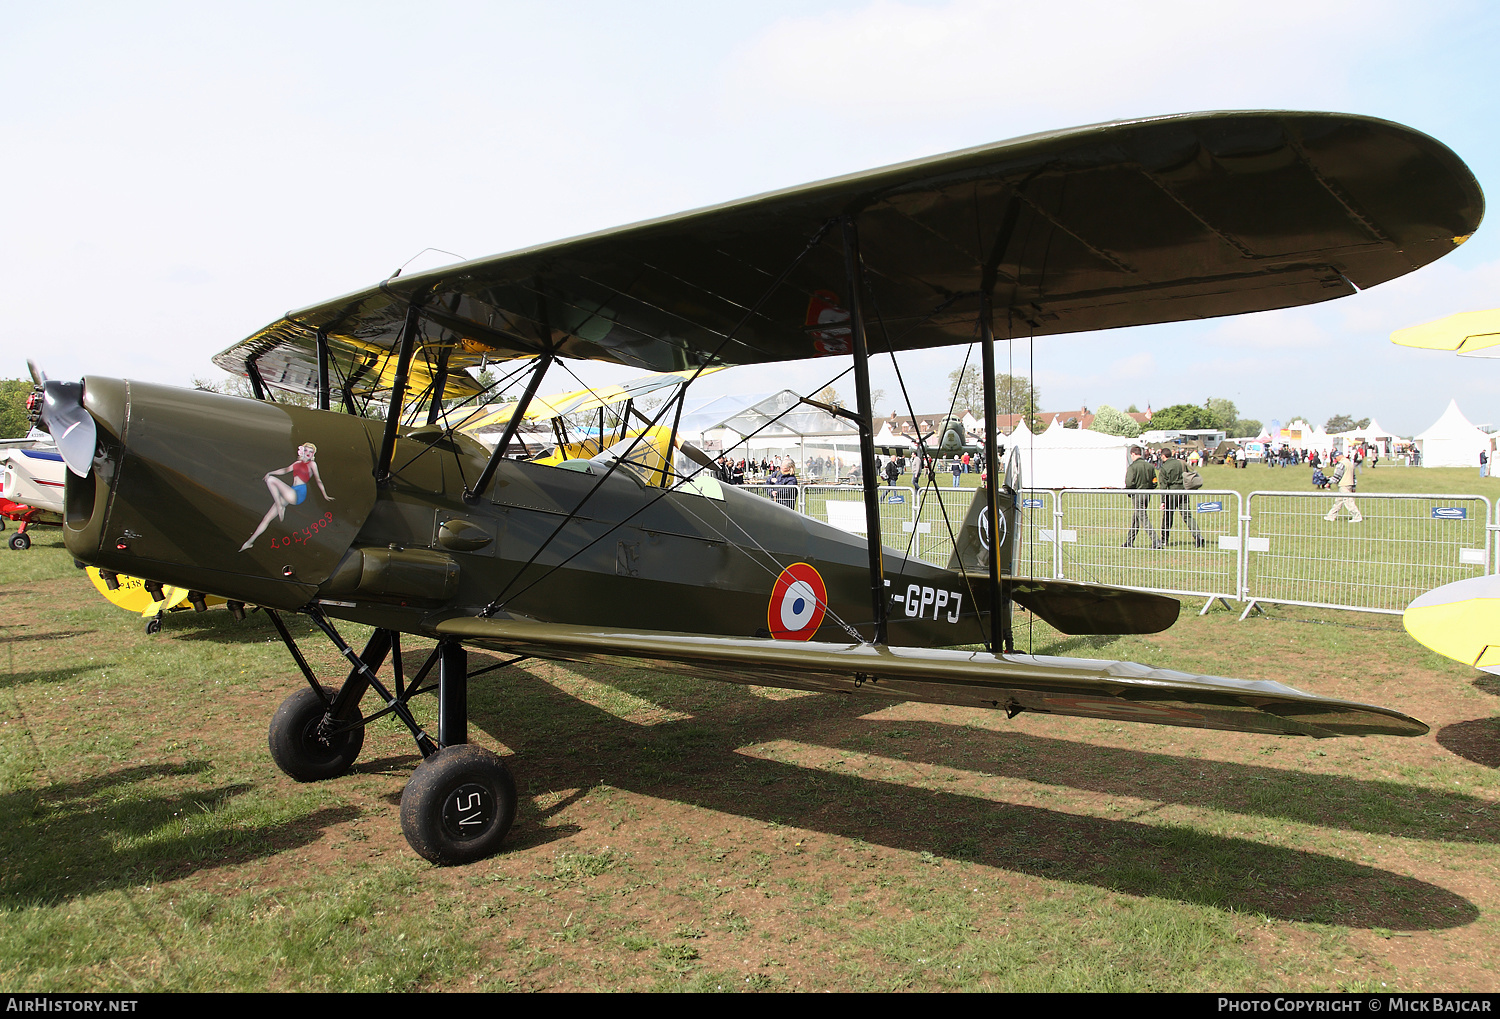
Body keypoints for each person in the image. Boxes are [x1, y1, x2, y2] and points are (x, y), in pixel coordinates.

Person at [241, 442, 333, 551]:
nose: (308, 453)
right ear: (303, 451)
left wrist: (325, 494)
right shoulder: (297, 463)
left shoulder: (312, 464)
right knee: (267, 518)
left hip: (298, 493)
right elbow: (285, 470)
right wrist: (271, 472)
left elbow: (318, 480)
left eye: (311, 451)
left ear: (313, 453)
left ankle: (280, 505)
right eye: (306, 450)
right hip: (291, 491)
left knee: (271, 480)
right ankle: (249, 542)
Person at [1157, 451, 1204, 547]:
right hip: (1183, 491)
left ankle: (1164, 540)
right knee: (1187, 516)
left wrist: (1163, 501)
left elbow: (1163, 485)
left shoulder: (1164, 468)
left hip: (1171, 493)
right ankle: (1197, 535)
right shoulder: (1180, 463)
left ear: (1163, 456)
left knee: (1168, 517)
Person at [1122, 445, 1160, 548]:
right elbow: (1155, 482)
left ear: (1133, 454)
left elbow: (1129, 483)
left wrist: (1129, 492)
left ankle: (1156, 540)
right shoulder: (1150, 466)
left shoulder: (1132, 467)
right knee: (1137, 518)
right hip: (1147, 494)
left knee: (1143, 517)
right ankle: (1129, 542)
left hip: (1137, 495)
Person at [1323, 453, 1362, 523]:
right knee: (1339, 501)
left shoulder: (1342, 464)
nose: (1335, 460)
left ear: (1339, 456)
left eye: (1336, 458)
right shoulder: (1349, 463)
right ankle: (1331, 515)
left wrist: (1329, 483)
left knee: (1348, 501)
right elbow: (1354, 476)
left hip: (1344, 484)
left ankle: (1357, 516)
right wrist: (1354, 486)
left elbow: (1337, 476)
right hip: (1350, 483)